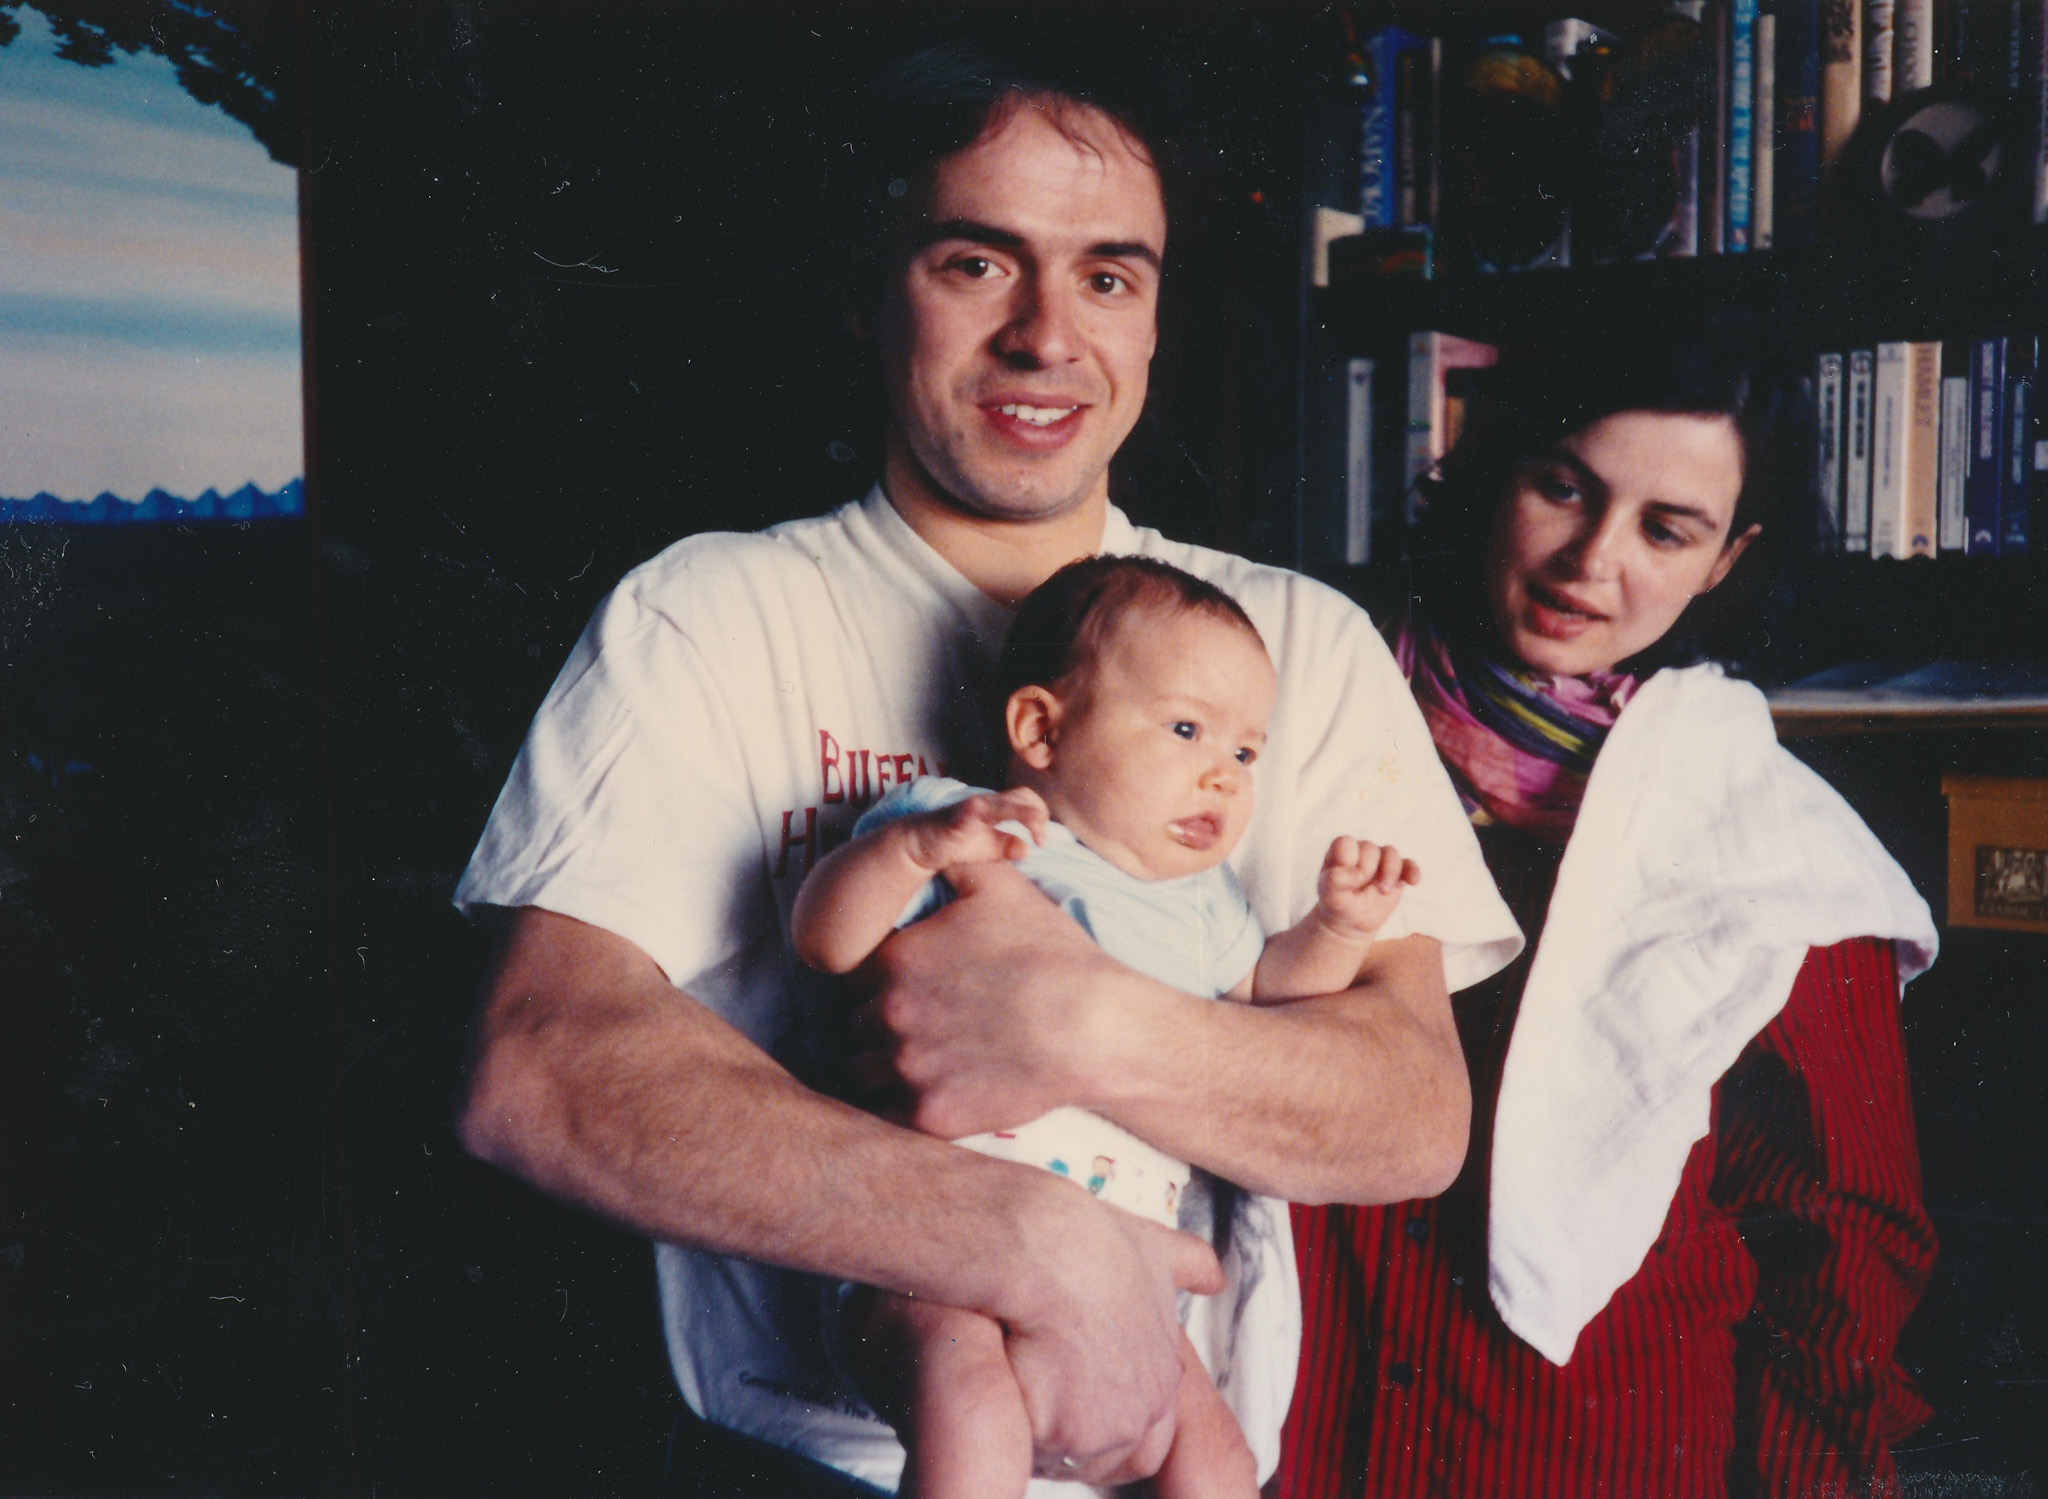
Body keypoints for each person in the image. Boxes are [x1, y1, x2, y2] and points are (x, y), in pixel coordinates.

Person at [451, 31, 1521, 1498]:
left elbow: (1408, 1113)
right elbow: (539, 1066)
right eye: (975, 262)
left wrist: (1077, 1021)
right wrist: (1024, 1236)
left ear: (1155, 319)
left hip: (1167, 1437)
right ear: (868, 288)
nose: (1046, 336)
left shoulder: (1294, 644)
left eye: (1108, 277)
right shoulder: (709, 611)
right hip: (811, 1456)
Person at [1275, 314, 1941, 1498]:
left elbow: (1840, 1254)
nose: (1590, 560)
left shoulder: (1783, 852)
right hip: (1282, 1439)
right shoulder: (1287, 728)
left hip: (1588, 1455)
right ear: (1496, 472)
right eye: (1563, 488)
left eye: (1664, 528)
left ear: (1724, 558)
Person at [790, 556, 1421, 1499]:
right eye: (1186, 729)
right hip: (937, 1251)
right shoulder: (968, 830)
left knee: (1222, 1463)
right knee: (972, 1414)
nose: (1223, 775)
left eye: (1247, 753)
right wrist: (910, 851)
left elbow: (1269, 995)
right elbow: (824, 943)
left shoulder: (1205, 902)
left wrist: (1336, 929)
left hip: (1126, 1280)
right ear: (1040, 729)